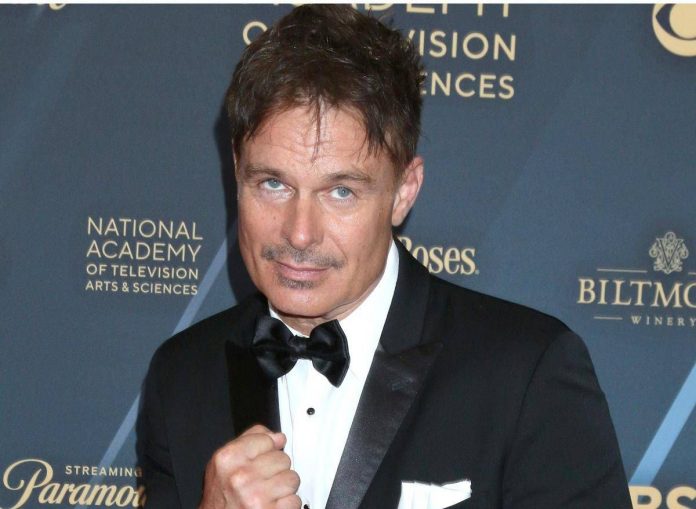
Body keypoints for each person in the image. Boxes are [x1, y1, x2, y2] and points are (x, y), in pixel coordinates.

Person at [137, 5, 632, 509]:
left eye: (341, 192)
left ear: (403, 191)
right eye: (273, 184)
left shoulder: (526, 374)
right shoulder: (181, 376)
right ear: (237, 171)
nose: (299, 233)